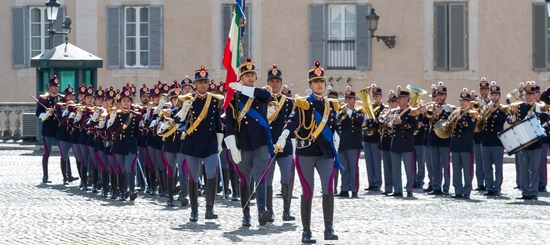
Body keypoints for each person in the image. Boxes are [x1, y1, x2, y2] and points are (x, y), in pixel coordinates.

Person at [275, 61, 341, 243]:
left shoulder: (331, 105)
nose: (320, 84)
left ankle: (329, 228)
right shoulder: (303, 104)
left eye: (322, 81)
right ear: (310, 85)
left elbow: (336, 126)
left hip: (326, 153)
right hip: (306, 152)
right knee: (308, 191)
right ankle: (306, 231)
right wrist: (284, 135)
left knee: (328, 189)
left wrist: (337, 138)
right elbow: (292, 120)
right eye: (316, 81)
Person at [225, 57, 273, 227]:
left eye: (253, 75)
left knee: (261, 177)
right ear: (241, 78)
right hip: (243, 144)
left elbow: (265, 95)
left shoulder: (261, 94)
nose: (251, 78)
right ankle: (246, 214)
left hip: (261, 143)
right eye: (247, 75)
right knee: (244, 180)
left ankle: (262, 211)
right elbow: (229, 124)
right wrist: (231, 145)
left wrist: (241, 88)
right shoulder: (234, 99)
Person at [176, 65, 224, 221]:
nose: (202, 84)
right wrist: (184, 109)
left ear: (209, 83)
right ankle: (194, 210)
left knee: (211, 175)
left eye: (205, 82)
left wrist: (219, 143)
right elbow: (178, 122)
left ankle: (209, 209)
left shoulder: (215, 100)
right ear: (195, 84)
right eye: (200, 82)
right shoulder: (186, 99)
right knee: (193, 177)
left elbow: (218, 124)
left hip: (210, 143)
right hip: (192, 142)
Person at [265, 64, 296, 221]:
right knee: (268, 179)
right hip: (268, 145)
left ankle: (287, 210)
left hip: (285, 146)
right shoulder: (263, 100)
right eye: (272, 80)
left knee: (286, 178)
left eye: (277, 80)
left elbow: (294, 122)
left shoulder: (289, 102)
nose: (274, 83)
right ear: (268, 82)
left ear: (281, 82)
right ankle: (269, 210)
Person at [508, 82, 548, 200]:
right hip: (523, 142)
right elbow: (510, 118)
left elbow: (546, 119)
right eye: (527, 94)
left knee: (535, 169)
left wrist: (536, 115)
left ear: (535, 95)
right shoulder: (518, 107)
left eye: (531, 94)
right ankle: (525, 192)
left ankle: (533, 192)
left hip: (536, 143)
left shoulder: (541, 107)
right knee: (523, 169)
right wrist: (512, 119)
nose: (528, 97)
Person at [109, 89, 142, 201]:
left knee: (130, 168)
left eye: (128, 100)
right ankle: (122, 191)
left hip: (131, 145)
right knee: (120, 169)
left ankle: (132, 190)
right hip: (119, 144)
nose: (126, 103)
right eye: (124, 100)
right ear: (120, 102)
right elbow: (110, 129)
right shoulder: (116, 115)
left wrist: (135, 142)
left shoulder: (135, 116)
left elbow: (138, 132)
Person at [389, 87, 418, 198]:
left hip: (406, 143)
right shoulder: (396, 111)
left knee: (408, 169)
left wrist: (401, 122)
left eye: (401, 98)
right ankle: (397, 190)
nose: (399, 100)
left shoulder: (412, 112)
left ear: (406, 99)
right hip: (395, 142)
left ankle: (409, 189)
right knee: (395, 169)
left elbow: (413, 127)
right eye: (399, 98)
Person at [480, 82, 507, 196]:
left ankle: (497, 187)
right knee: (487, 166)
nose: (494, 97)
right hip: (486, 141)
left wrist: (494, 112)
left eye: (496, 95)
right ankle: (489, 187)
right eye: (492, 94)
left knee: (498, 167)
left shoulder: (503, 109)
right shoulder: (484, 107)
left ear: (499, 96)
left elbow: (502, 121)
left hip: (497, 142)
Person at [336, 87, 364, 198]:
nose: (347, 101)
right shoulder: (340, 114)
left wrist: (348, 111)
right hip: (342, 144)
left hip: (353, 144)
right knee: (343, 168)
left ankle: (354, 189)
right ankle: (344, 189)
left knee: (353, 168)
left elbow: (360, 120)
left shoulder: (358, 112)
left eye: (350, 99)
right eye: (346, 98)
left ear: (354, 101)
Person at [449, 89, 477, 199]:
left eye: (465, 101)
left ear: (469, 102)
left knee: (467, 170)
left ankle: (467, 190)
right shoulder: (456, 112)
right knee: (456, 170)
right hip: (455, 145)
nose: (462, 103)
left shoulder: (473, 114)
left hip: (466, 145)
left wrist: (459, 118)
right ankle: (457, 190)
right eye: (461, 101)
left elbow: (468, 127)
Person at [35, 75, 63, 184]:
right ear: (49, 87)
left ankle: (67, 175)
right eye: (54, 86)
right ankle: (45, 176)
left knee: (64, 153)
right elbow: (38, 114)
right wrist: (46, 114)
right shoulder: (43, 98)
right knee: (47, 153)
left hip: (59, 129)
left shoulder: (60, 98)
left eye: (57, 86)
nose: (56, 88)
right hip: (48, 129)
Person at [427, 82, 452, 195]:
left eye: (442, 95)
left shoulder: (450, 109)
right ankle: (436, 186)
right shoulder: (433, 107)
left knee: (445, 165)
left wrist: (442, 113)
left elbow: (450, 122)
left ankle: (446, 186)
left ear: (446, 96)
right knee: (435, 165)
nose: (439, 97)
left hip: (445, 140)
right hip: (433, 139)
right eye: (438, 95)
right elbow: (425, 121)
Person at [363, 84, 384, 191]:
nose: (375, 98)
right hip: (367, 137)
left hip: (376, 137)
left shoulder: (383, 108)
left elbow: (380, 122)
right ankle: (370, 182)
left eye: (377, 96)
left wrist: (370, 121)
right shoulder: (368, 107)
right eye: (374, 96)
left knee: (376, 161)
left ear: (381, 97)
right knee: (369, 162)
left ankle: (377, 183)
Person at [379, 90, 398, 195]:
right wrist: (383, 117)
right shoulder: (387, 111)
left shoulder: (398, 112)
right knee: (386, 167)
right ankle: (388, 188)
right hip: (386, 142)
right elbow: (380, 125)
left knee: (394, 167)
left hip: (394, 141)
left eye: (393, 102)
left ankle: (396, 187)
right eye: (389, 102)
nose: (390, 104)